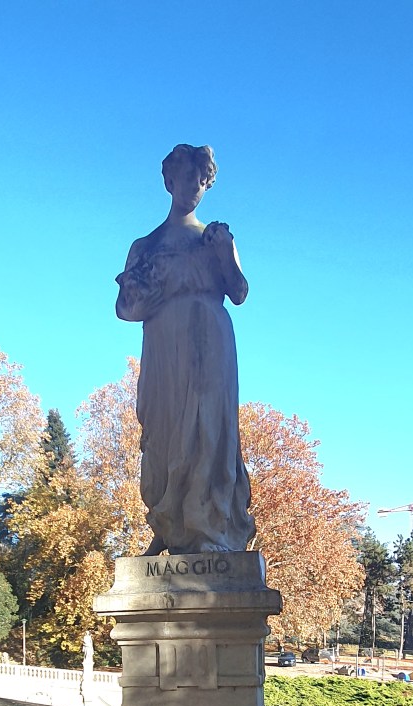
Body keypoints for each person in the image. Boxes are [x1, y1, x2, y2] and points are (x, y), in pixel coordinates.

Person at [115, 143, 255, 556]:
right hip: (163, 343)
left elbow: (240, 291)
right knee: (163, 429)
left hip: (210, 338)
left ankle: (209, 527)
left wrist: (224, 253)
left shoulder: (214, 237)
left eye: (200, 179)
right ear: (169, 181)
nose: (192, 186)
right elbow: (125, 309)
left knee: (209, 428)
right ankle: (167, 523)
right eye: (184, 177)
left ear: (205, 184)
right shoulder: (146, 245)